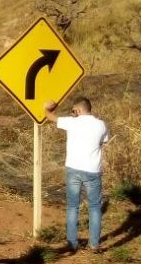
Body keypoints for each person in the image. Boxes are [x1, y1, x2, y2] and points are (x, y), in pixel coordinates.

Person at [44, 98, 110, 253]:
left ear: (79, 110)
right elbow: (104, 142)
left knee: (73, 206)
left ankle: (72, 244)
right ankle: (94, 244)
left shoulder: (71, 123)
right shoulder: (101, 124)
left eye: (73, 111)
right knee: (94, 207)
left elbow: (48, 116)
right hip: (93, 170)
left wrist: (48, 107)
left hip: (73, 169)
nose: (72, 113)